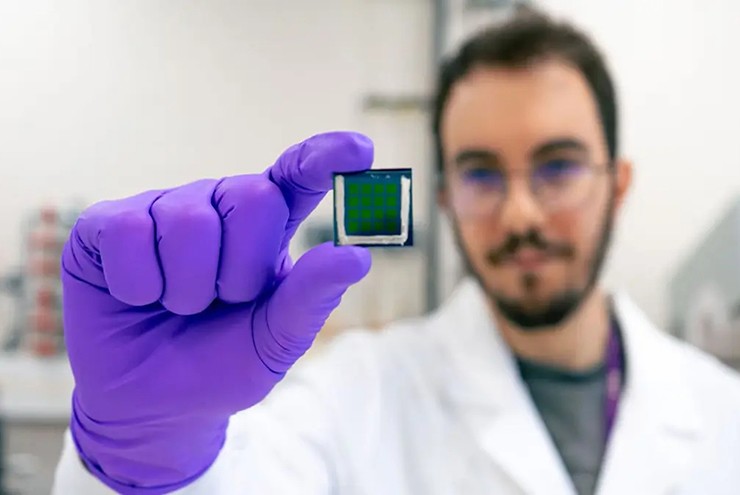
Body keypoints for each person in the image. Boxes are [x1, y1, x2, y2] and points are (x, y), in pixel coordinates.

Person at [52, 8, 740, 495]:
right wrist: (149, 461)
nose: (519, 213)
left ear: (617, 185)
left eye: (557, 167)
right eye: (480, 174)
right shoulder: (356, 395)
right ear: (443, 199)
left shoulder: (725, 413)